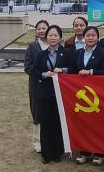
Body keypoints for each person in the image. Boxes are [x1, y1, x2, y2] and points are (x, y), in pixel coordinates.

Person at [31, 25, 72, 164]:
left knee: (58, 123)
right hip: (44, 94)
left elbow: (73, 68)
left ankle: (57, 152)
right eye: (50, 35)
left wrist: (63, 70)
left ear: (60, 38)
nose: (53, 38)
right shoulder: (41, 54)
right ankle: (46, 153)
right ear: (46, 37)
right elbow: (33, 71)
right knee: (46, 123)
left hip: (61, 94)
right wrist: (44, 74)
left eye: (55, 35)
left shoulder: (66, 53)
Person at [71, 26, 104, 166]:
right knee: (83, 123)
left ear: (98, 38)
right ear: (84, 37)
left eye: (93, 35)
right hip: (81, 94)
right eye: (88, 35)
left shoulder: (103, 52)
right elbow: (72, 70)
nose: (90, 38)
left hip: (98, 94)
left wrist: (90, 72)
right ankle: (84, 152)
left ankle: (99, 153)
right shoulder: (78, 53)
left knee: (98, 124)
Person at [23, 19, 49, 153]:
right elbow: (27, 67)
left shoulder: (54, 44)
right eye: (39, 28)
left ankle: (50, 140)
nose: (41, 30)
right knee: (38, 112)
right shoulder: (32, 47)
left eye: (44, 28)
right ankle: (38, 142)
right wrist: (42, 74)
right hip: (36, 85)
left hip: (52, 85)